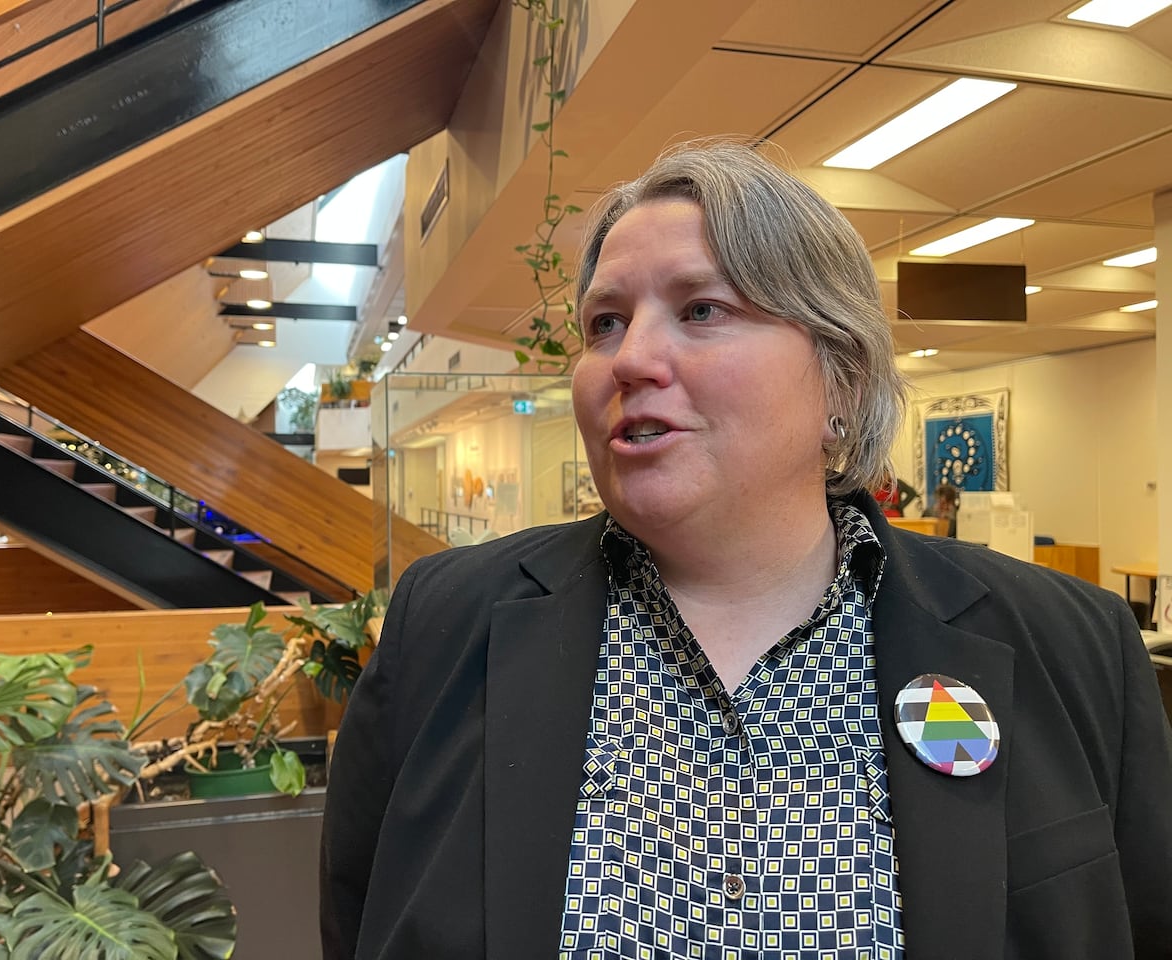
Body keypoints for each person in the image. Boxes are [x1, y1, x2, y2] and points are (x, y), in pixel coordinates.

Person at [320, 139, 1172, 959]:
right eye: (605, 322)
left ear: (842, 378)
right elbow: (359, 920)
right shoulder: (446, 624)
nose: (631, 358)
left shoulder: (1068, 645)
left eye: (702, 310)